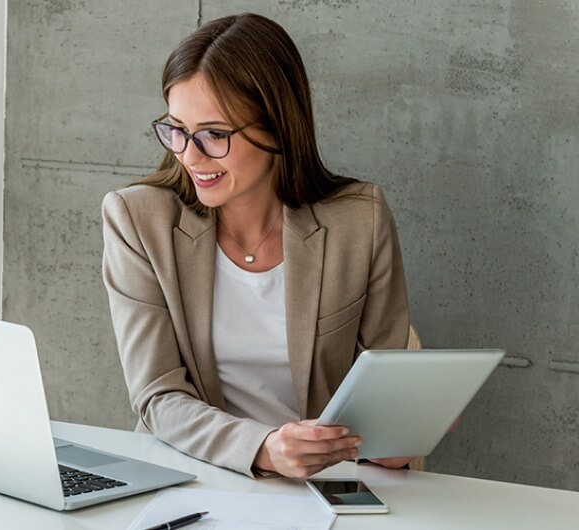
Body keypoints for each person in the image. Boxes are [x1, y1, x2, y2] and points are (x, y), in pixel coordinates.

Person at [101, 13, 415, 479]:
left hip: (321, 485)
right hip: (191, 474)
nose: (189, 155)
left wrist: (396, 435)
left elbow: (381, 396)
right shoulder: (138, 219)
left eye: (214, 134)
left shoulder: (359, 221)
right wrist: (263, 448)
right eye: (177, 129)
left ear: (277, 128)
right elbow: (157, 396)